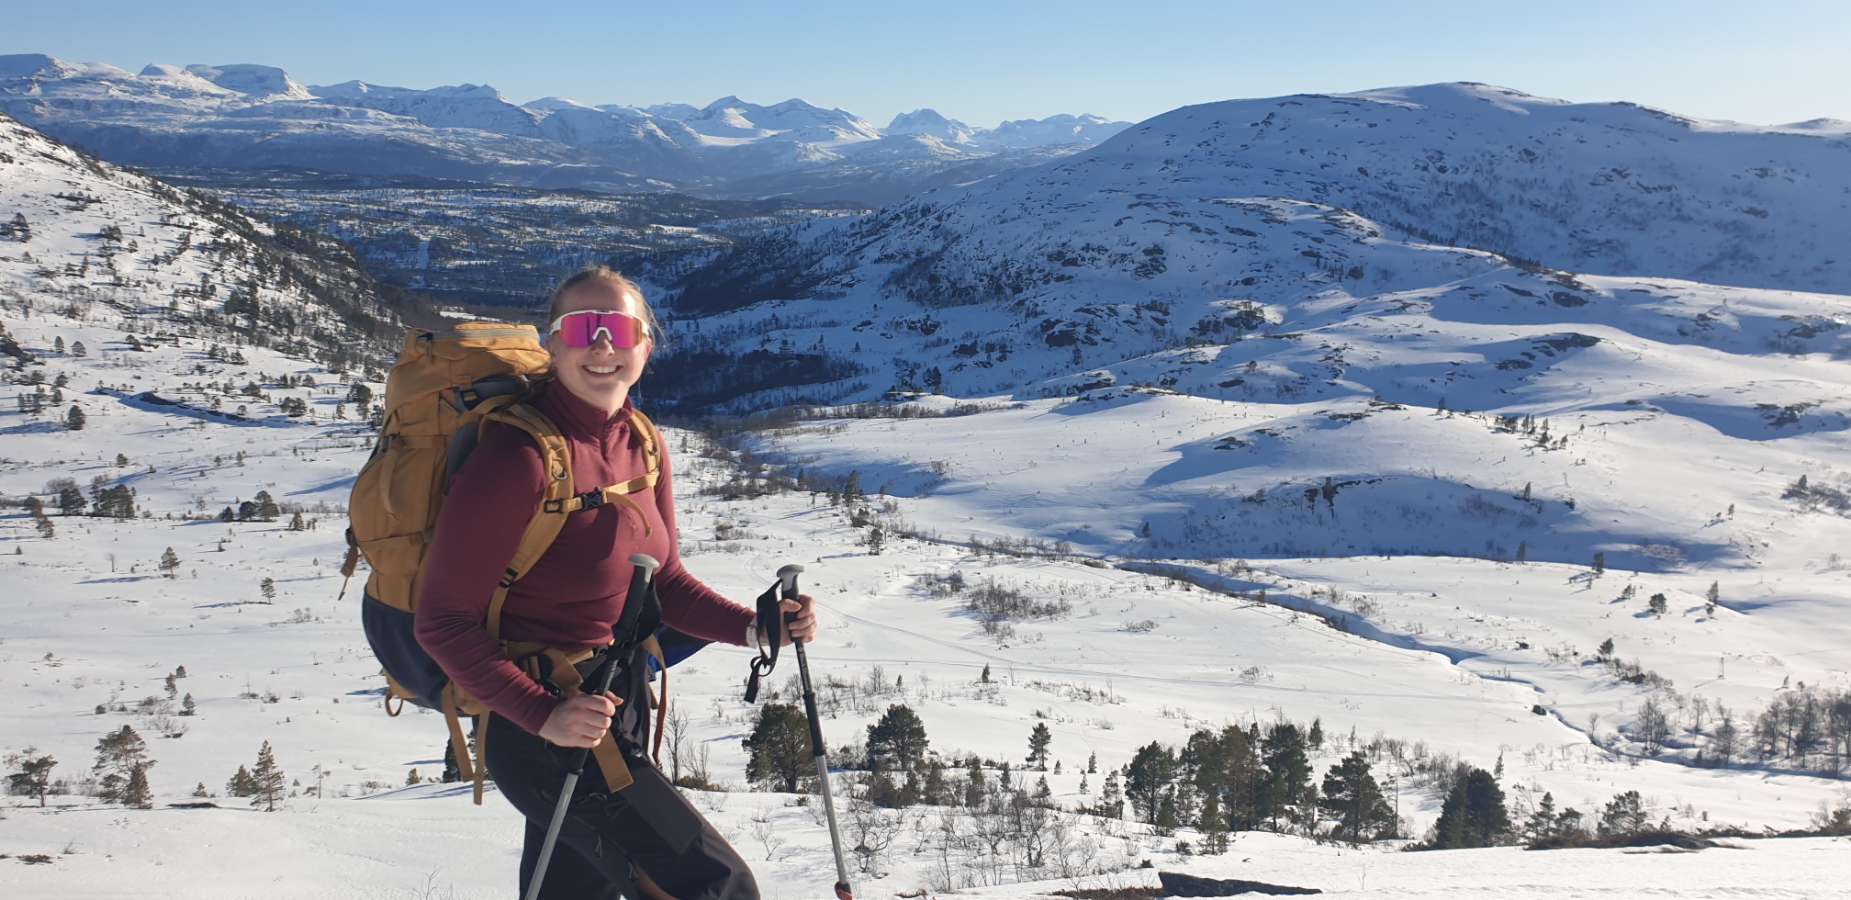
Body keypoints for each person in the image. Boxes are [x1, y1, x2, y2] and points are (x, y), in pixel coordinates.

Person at [415, 265, 817, 899]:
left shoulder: (641, 441)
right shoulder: (514, 460)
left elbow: (667, 582)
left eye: (619, 328)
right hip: (543, 730)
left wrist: (754, 626)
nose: (602, 345)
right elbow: (441, 621)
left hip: (612, 703)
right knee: (717, 886)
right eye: (581, 327)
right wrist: (543, 715)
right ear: (552, 343)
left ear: (645, 345)